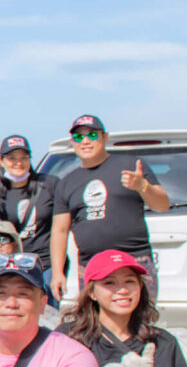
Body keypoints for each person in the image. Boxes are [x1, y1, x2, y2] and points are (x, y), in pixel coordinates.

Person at [52, 114, 169, 299]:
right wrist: (57, 272)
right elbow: (59, 230)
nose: (85, 141)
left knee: (139, 325)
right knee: (95, 325)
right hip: (90, 266)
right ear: (72, 142)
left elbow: (162, 205)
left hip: (133, 262)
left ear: (105, 138)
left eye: (92, 135)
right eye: (78, 137)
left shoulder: (131, 165)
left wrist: (143, 186)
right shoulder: (66, 183)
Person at [0, 134, 57, 286]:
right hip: (14, 266)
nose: (19, 163)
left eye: (24, 158)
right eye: (12, 158)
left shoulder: (48, 184)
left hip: (47, 265)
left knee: (49, 309)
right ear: (2, 162)